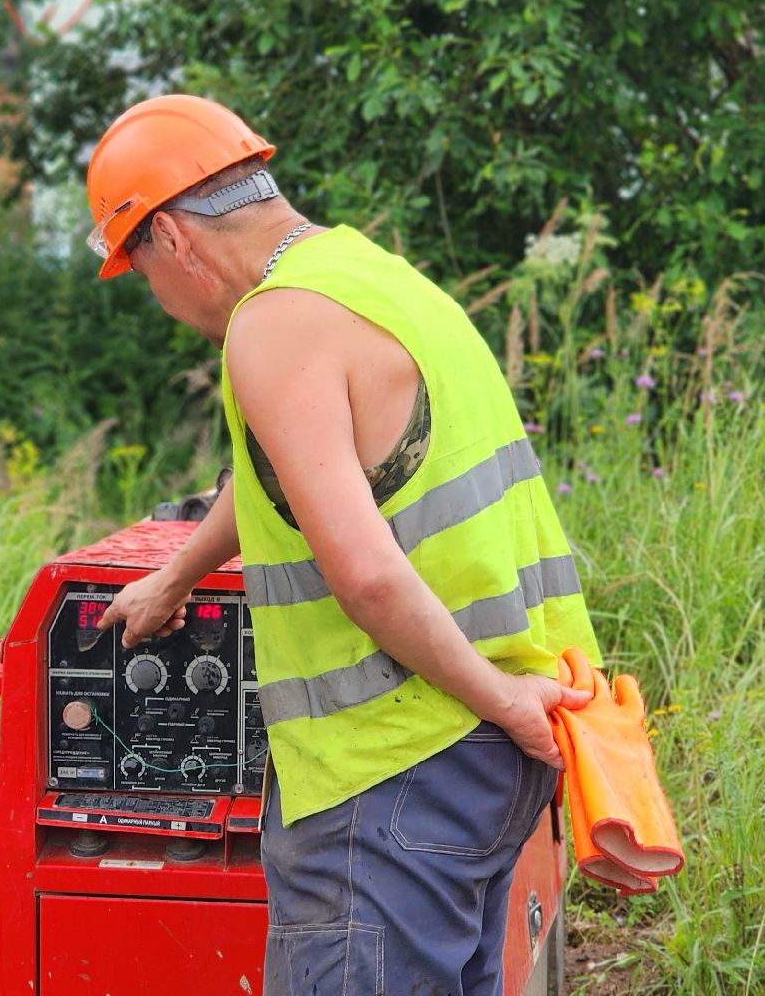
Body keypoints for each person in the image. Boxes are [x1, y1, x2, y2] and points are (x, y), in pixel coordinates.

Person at [88, 95, 603, 996]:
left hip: (394, 763)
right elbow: (293, 476)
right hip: (483, 746)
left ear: (171, 238)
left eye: (138, 271)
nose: (159, 302)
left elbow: (363, 574)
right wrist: (178, 576)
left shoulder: (274, 324)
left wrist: (502, 703)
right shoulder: (370, 276)